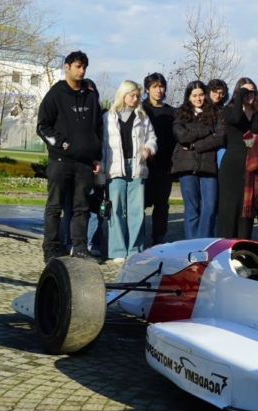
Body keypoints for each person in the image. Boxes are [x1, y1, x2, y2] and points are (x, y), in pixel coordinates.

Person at [36, 50, 102, 264]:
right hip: (60, 161)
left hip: (84, 163)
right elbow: (42, 126)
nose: (81, 71)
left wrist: (96, 156)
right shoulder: (56, 94)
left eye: (84, 67)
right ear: (67, 67)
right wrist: (62, 144)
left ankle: (80, 247)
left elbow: (97, 128)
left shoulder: (91, 96)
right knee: (55, 205)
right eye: (77, 66)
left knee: (81, 207)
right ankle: (51, 247)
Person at [102, 80, 157, 263]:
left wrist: (149, 148)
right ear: (123, 95)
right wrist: (101, 170)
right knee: (115, 210)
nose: (135, 98)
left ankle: (135, 249)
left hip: (137, 167)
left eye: (137, 95)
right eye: (132, 94)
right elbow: (103, 145)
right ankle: (117, 250)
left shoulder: (142, 116)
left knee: (136, 210)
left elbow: (152, 138)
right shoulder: (109, 116)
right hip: (114, 167)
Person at [218, 78, 258, 239]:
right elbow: (236, 119)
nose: (249, 95)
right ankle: (224, 250)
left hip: (252, 169)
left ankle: (243, 251)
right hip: (231, 169)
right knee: (229, 211)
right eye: (245, 92)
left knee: (247, 212)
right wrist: (240, 99)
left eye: (252, 92)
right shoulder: (228, 111)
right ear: (238, 93)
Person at [170, 80, 224, 239]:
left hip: (208, 165)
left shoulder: (215, 113)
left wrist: (196, 145)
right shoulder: (180, 113)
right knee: (192, 208)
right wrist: (207, 132)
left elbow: (220, 137)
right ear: (188, 97)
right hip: (186, 165)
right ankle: (191, 243)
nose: (198, 99)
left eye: (201, 95)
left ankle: (204, 241)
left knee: (210, 206)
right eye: (194, 95)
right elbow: (182, 136)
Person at [142, 73, 176, 245]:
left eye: (161, 86)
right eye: (154, 86)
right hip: (143, 164)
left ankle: (159, 236)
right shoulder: (141, 110)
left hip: (164, 165)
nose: (158, 90)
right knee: (140, 203)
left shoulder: (172, 112)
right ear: (147, 89)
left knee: (162, 204)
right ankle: (138, 237)